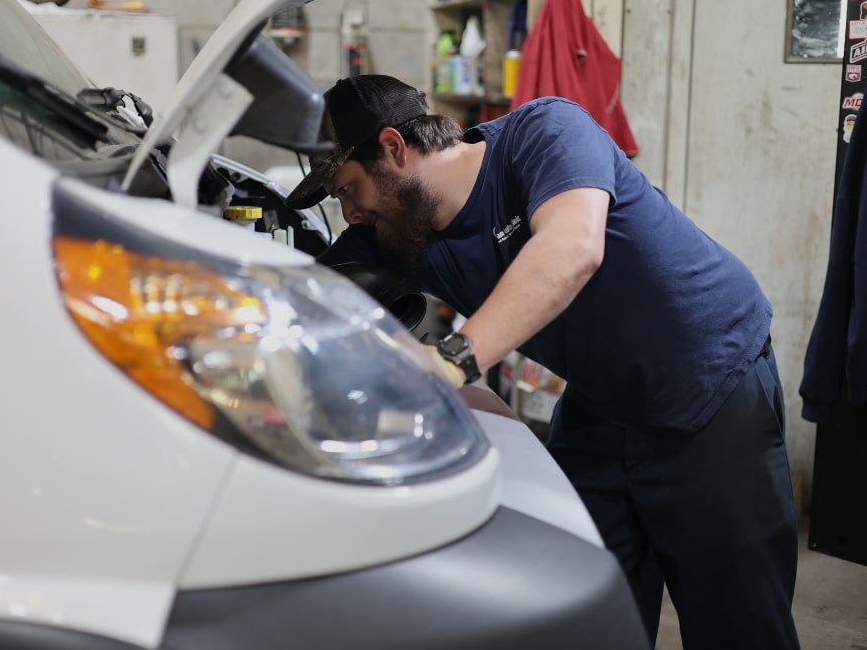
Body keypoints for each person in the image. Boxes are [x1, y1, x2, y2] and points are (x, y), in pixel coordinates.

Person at [286, 74, 800, 649]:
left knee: (738, 622)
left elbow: (572, 248)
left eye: (349, 190)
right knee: (575, 606)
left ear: (394, 150)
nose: (350, 214)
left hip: (709, 377)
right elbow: (305, 300)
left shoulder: (546, 131)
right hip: (601, 401)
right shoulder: (399, 232)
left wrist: (450, 362)